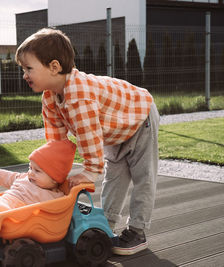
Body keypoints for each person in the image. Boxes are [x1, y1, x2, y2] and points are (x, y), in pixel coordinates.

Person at [15, 28, 159, 256]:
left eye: (28, 68)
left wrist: (89, 172)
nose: (24, 74)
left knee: (143, 177)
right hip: (114, 129)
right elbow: (56, 143)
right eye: (23, 69)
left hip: (139, 117)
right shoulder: (50, 97)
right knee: (114, 176)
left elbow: (89, 136)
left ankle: (137, 231)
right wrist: (52, 176)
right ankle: (106, 225)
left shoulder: (79, 96)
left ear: (54, 67)